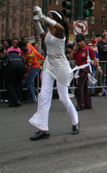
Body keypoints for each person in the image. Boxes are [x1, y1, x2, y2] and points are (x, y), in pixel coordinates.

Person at [29, 7, 79, 140]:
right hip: (49, 65)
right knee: (44, 95)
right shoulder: (49, 32)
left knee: (63, 98)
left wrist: (42, 16)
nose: (47, 18)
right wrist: (36, 23)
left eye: (50, 16)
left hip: (61, 66)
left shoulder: (60, 31)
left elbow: (61, 27)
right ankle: (44, 129)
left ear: (55, 19)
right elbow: (41, 34)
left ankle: (75, 123)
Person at [70, 34, 102, 111]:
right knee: (84, 87)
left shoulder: (87, 49)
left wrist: (98, 67)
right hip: (79, 68)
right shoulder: (77, 50)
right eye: (78, 42)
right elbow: (71, 58)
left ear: (83, 41)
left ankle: (81, 104)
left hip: (85, 68)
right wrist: (73, 50)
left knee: (80, 86)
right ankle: (88, 103)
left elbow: (94, 58)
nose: (79, 43)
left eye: (80, 41)